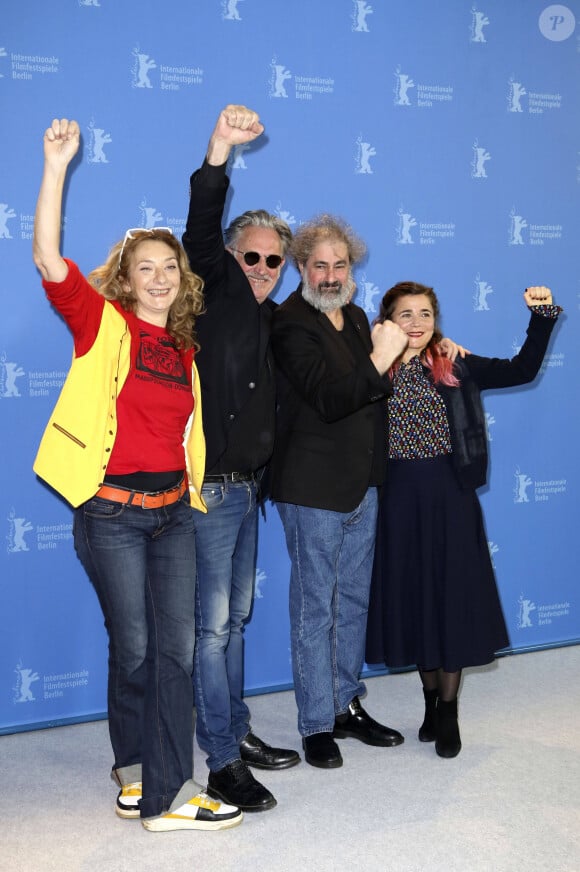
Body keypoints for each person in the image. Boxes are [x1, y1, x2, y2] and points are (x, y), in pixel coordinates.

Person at [32, 118, 242, 832]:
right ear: (126, 279)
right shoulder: (102, 324)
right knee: (138, 648)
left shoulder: (183, 347)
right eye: (145, 266)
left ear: (182, 281)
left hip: (174, 511)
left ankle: (151, 782)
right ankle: (157, 787)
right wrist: (57, 166)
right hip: (113, 516)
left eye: (169, 267)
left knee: (171, 650)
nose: (159, 276)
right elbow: (50, 259)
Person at [365, 280, 561, 758]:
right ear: (387, 321)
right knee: (415, 599)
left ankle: (448, 711)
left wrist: (542, 316)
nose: (417, 323)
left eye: (426, 313)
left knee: (449, 599)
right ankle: (430, 702)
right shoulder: (371, 371)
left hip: (450, 497)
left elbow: (522, 368)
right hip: (398, 500)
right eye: (406, 314)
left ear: (437, 320)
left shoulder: (454, 363)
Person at [181, 104, 299, 813]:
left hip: (245, 492)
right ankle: (222, 759)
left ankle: (235, 727)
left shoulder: (270, 318)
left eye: (271, 260)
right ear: (231, 259)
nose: (260, 267)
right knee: (214, 626)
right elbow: (200, 224)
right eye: (249, 255)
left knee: (236, 618)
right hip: (208, 494)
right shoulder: (220, 294)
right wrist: (220, 149)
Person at [269, 214, 414, 769]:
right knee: (315, 608)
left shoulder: (355, 317)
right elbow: (331, 399)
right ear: (301, 268)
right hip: (311, 489)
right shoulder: (290, 324)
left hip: (362, 483)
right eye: (320, 265)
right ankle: (314, 723)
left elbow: (370, 397)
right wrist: (383, 356)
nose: (331, 275)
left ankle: (346, 705)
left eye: (341, 265)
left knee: (352, 601)